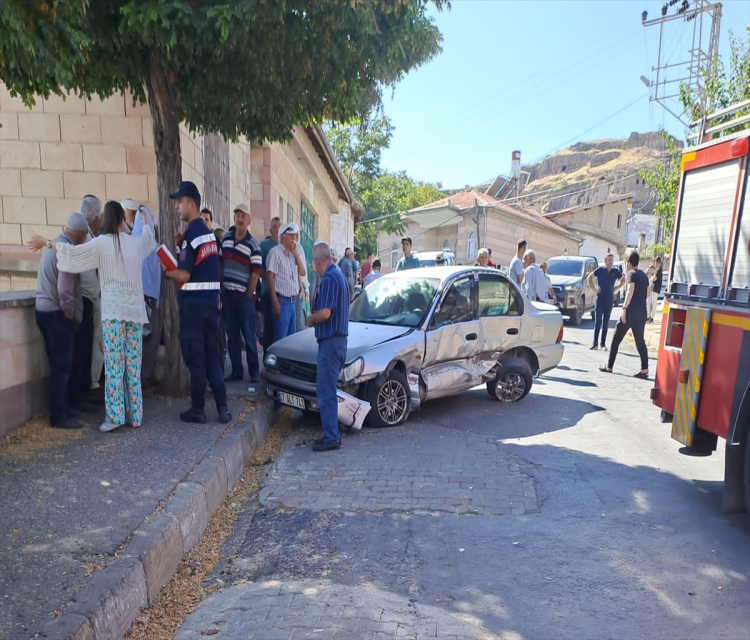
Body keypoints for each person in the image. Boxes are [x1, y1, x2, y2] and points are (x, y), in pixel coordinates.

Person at [29, 203, 157, 432]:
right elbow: (149, 240)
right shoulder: (134, 243)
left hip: (113, 315)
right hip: (134, 313)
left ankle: (115, 417)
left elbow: (73, 254)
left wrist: (47, 243)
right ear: (121, 221)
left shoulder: (100, 244)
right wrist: (145, 221)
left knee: (114, 366)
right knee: (132, 365)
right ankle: (135, 415)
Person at [164, 181, 231, 424]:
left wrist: (167, 271)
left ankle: (198, 409)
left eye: (179, 202)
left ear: (192, 204)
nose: (176, 207)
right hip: (211, 305)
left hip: (193, 307)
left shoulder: (191, 235)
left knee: (195, 356)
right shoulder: (210, 236)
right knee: (212, 354)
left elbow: (184, 275)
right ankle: (223, 408)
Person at [31, 213, 88, 429]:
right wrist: (69, 314)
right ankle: (59, 416)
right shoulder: (65, 251)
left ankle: (62, 408)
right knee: (61, 368)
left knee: (58, 365)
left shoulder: (54, 246)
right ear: (81, 234)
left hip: (44, 311)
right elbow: (65, 289)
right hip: (56, 314)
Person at [306, 242, 349, 452]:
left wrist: (310, 319)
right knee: (328, 389)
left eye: (314, 264)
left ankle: (331, 436)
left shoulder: (330, 277)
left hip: (330, 342)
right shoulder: (339, 275)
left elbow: (325, 313)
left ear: (318, 261)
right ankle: (332, 433)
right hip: (337, 341)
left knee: (325, 391)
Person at [220, 204, 262, 384]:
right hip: (228, 295)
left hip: (245, 298)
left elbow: (256, 272)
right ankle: (237, 370)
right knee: (232, 336)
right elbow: (220, 263)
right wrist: (221, 288)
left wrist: (248, 294)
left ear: (249, 221)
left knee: (249, 335)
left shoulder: (253, 245)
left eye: (243, 216)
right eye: (237, 215)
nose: (240, 219)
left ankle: (254, 372)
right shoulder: (226, 239)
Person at [122, 199, 162, 385]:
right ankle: (145, 375)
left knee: (143, 337)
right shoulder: (145, 233)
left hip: (143, 294)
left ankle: (142, 376)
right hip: (149, 294)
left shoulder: (137, 236)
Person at [599, 251, 650, 378]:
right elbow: (648, 293)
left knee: (616, 337)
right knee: (639, 340)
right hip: (642, 313)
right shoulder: (644, 275)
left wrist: (625, 308)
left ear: (629, 263)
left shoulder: (631, 274)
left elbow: (630, 290)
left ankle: (609, 366)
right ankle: (644, 368)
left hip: (630, 312)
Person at [75, 195, 103, 410]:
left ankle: (87, 390)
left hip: (86, 302)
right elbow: (90, 283)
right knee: (83, 351)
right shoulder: (86, 242)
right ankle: (83, 394)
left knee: (88, 349)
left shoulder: (88, 239)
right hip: (84, 303)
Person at [266, 221, 305, 343]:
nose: (294, 239)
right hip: (282, 301)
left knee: (291, 340)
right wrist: (275, 301)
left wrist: (296, 255)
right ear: (283, 236)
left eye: (295, 236)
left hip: (293, 301)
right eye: (291, 236)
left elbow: (302, 272)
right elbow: (270, 277)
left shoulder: (294, 253)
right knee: (280, 339)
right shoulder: (275, 253)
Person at [587, 253, 624, 350]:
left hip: (609, 300)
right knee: (598, 321)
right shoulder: (600, 270)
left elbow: (623, 280)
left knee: (605, 322)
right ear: (605, 261)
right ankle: (595, 343)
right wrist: (594, 288)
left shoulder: (615, 271)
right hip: (600, 299)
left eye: (611, 260)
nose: (610, 262)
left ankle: (603, 344)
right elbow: (589, 277)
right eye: (608, 260)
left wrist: (616, 288)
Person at [259, 216, 281, 348]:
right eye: (275, 227)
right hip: (267, 293)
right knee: (269, 329)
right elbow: (257, 268)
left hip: (282, 295)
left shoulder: (285, 247)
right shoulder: (264, 246)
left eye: (279, 227)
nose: (277, 230)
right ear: (270, 230)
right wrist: (269, 277)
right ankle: (268, 361)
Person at [293, 230, 310, 333]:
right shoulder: (298, 248)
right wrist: (306, 287)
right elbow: (302, 272)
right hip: (297, 288)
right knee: (298, 320)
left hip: (290, 289)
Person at [648, 256, 663, 323]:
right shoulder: (658, 270)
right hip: (654, 288)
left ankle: (652, 317)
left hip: (655, 288)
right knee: (651, 302)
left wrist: (651, 279)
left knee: (653, 303)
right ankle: (650, 316)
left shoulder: (658, 270)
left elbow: (655, 278)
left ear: (656, 262)